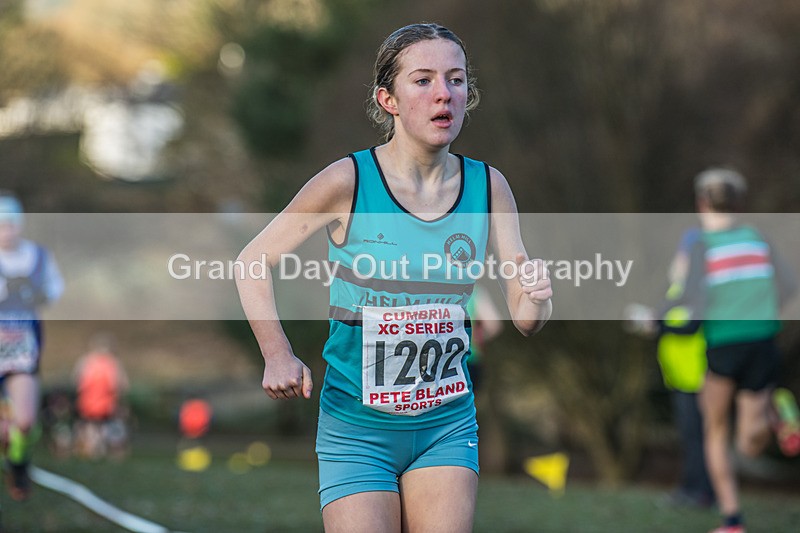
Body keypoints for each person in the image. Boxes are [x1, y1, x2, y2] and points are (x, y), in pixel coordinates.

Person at [235, 23, 552, 533]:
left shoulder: (489, 187)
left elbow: (525, 320)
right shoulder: (348, 182)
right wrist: (277, 353)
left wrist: (536, 295)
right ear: (389, 99)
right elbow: (252, 261)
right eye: (423, 80)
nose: (443, 93)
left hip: (446, 424)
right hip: (356, 428)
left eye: (455, 79)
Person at [677, 169, 796, 533]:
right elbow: (790, 287)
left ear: (701, 203)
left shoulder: (701, 245)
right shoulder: (759, 238)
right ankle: (778, 413)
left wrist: (657, 321)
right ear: (740, 204)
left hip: (724, 345)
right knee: (749, 444)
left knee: (714, 429)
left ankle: (732, 521)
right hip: (762, 343)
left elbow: (689, 301)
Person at [0, 191, 64, 501]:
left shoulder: (38, 256)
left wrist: (33, 293)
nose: (6, 231)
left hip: (22, 350)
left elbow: (53, 292)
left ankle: (19, 464)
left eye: (10, 224)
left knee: (24, 422)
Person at [656, 228, 714, 508]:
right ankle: (692, 490)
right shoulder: (678, 290)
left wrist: (657, 325)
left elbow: (690, 327)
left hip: (698, 376)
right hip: (681, 376)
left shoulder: (700, 290)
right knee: (691, 438)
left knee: (698, 439)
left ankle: (700, 492)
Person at [72, 333, 130, 460]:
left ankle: (93, 449)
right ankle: (96, 449)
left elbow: (77, 381)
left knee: (92, 426)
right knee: (100, 426)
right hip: (102, 403)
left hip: (90, 402)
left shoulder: (87, 361)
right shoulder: (111, 363)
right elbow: (120, 384)